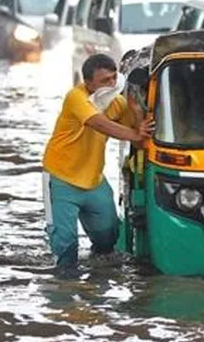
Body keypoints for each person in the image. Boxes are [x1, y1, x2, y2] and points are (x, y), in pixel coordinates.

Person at [42, 54, 155, 277]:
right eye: (104, 81)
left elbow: (140, 138)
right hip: (61, 179)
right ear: (89, 83)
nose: (111, 84)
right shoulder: (76, 97)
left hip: (94, 181)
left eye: (114, 78)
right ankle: (65, 293)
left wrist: (135, 109)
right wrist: (134, 132)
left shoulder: (117, 102)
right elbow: (100, 124)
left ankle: (98, 284)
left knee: (108, 239)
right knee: (66, 247)